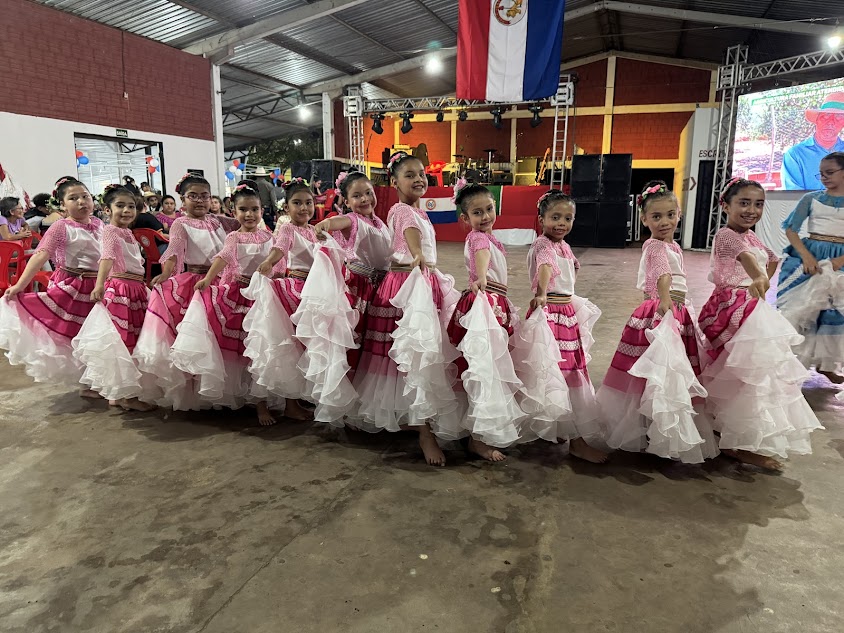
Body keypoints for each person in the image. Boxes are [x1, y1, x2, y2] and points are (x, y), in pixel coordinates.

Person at [697, 177, 823, 470]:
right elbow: (750, 262)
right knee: (743, 374)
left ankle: (734, 437)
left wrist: (760, 284)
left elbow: (772, 258)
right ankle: (735, 442)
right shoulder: (727, 235)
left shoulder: (751, 237)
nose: (751, 210)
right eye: (744, 203)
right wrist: (757, 279)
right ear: (725, 206)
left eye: (758, 204)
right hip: (733, 306)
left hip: (749, 304)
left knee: (750, 374)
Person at [348, 151, 462, 467]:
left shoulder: (419, 211)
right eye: (409, 175)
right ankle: (424, 431)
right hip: (407, 286)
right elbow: (411, 235)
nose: (418, 179)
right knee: (411, 357)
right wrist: (417, 254)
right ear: (395, 182)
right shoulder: (401, 210)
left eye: (421, 173)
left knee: (416, 357)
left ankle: (416, 417)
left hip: (422, 282)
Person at [597, 182, 718, 463]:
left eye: (670, 215)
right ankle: (651, 427)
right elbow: (663, 274)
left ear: (679, 214)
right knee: (657, 371)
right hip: (662, 309)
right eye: (656, 216)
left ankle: (657, 427)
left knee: (667, 371)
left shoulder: (672, 245)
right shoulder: (653, 245)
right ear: (644, 219)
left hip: (676, 309)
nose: (664, 222)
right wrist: (665, 302)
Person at [170, 181, 281, 425]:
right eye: (243, 210)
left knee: (261, 346)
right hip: (238, 295)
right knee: (241, 348)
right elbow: (223, 257)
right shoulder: (233, 236)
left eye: (254, 209)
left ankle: (261, 401)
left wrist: (279, 280)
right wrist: (208, 279)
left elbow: (278, 258)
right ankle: (246, 397)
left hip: (262, 294)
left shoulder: (268, 235)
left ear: (262, 210)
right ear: (234, 211)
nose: (249, 214)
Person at [510, 191, 607, 463]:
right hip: (552, 312)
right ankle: (576, 439)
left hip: (565, 311)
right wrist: (542, 293)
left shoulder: (563, 245)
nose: (561, 223)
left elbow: (572, 270)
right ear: (541, 219)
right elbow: (545, 268)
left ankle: (559, 425)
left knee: (563, 371)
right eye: (555, 217)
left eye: (567, 218)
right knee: (559, 372)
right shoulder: (543, 244)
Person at [246, 177, 352, 423]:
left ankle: (302, 397)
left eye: (308, 202)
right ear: (286, 207)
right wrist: (269, 262)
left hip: (318, 290)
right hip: (296, 289)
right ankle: (290, 403)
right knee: (291, 346)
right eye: (297, 203)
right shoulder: (288, 229)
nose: (304, 208)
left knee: (310, 345)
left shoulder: (316, 230)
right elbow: (280, 248)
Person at [132, 174, 239, 409]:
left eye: (204, 196)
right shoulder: (181, 223)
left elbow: (242, 223)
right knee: (197, 335)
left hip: (223, 281)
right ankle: (197, 390)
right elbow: (174, 249)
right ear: (183, 199)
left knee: (222, 334)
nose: (199, 201)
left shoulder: (220, 221)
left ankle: (224, 387)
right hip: (197, 283)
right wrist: (166, 273)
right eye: (193, 196)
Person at [0, 177, 103, 392]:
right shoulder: (60, 227)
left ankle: (99, 377)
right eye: (73, 198)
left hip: (99, 286)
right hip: (74, 286)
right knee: (75, 334)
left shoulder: (99, 224)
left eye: (85, 196)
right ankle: (87, 382)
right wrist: (20, 285)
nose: (82, 202)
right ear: (62, 205)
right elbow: (40, 255)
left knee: (99, 333)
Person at [445, 180, 523, 462]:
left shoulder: (490, 237)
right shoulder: (478, 238)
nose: (486, 216)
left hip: (494, 303)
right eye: (477, 213)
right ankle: (477, 440)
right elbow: (482, 256)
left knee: (487, 369)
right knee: (485, 369)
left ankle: (480, 433)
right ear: (465, 218)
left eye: (489, 209)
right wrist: (481, 277)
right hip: (485, 303)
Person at [71, 184, 155, 412]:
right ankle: (126, 396)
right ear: (107, 210)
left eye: (131, 206)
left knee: (131, 340)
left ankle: (119, 394)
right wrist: (99, 284)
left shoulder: (128, 233)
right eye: (120, 206)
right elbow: (106, 257)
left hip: (135, 289)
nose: (126, 211)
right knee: (122, 342)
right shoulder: (110, 230)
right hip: (121, 290)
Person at [314, 170, 391, 372]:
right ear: (347, 202)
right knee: (359, 334)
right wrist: (326, 223)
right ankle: (353, 374)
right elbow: (338, 222)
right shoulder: (353, 219)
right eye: (357, 196)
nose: (364, 199)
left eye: (368, 193)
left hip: (383, 287)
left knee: (377, 336)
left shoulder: (380, 223)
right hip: (362, 288)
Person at [777, 152, 844, 383]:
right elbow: (791, 229)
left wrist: (840, 260)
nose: (824, 177)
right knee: (803, 310)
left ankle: (827, 364)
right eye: (821, 173)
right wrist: (806, 256)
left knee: (834, 312)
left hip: (839, 262)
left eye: (830, 172)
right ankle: (792, 365)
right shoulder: (811, 198)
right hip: (811, 258)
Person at [782, 92, 844, 190]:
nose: (831, 122)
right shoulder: (795, 155)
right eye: (826, 116)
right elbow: (793, 196)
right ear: (817, 120)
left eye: (838, 117)